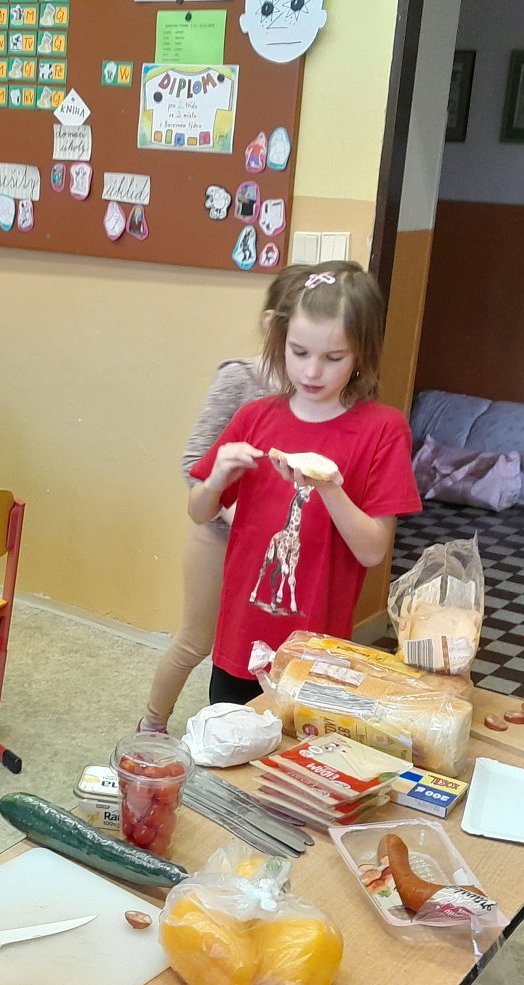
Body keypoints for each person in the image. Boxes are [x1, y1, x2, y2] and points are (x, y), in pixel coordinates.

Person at [187, 261, 421, 705]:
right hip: (240, 642)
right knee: (229, 738)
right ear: (280, 343)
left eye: (333, 358)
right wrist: (215, 480)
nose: (313, 372)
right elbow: (199, 512)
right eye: (299, 352)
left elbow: (372, 550)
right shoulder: (254, 417)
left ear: (361, 355)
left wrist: (330, 487)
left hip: (317, 651)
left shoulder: (383, 430)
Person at [140, 261, 322, 734]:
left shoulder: (324, 398)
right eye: (301, 345)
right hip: (220, 538)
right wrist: (237, 512)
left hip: (279, 547)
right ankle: (152, 725)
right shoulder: (240, 379)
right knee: (196, 641)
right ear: (275, 327)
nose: (313, 365)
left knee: (275, 654)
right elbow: (194, 462)